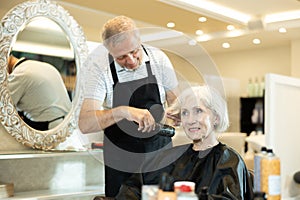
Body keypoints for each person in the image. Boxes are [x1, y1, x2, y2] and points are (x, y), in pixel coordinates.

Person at [78, 15, 179, 197]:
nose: (131, 61)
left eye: (134, 51)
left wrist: (177, 113)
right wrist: (123, 111)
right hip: (120, 157)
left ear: (140, 41)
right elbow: (85, 124)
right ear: (109, 51)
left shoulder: (159, 59)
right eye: (121, 57)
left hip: (159, 152)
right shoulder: (99, 69)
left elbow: (176, 102)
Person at [113, 85, 254, 200]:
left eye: (198, 111)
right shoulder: (167, 157)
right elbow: (131, 190)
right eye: (185, 113)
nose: (190, 120)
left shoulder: (230, 161)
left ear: (216, 117)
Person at [7, 54, 71, 131]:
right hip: (67, 122)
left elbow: (5, 106)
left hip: (50, 127)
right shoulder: (44, 66)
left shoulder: (19, 74)